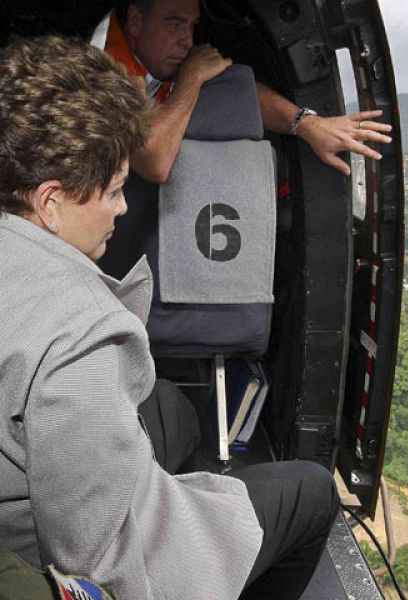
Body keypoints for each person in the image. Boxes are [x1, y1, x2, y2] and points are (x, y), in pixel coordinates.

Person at [0, 36, 339, 600]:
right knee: (310, 490)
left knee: (169, 407)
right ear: (50, 202)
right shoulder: (80, 334)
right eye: (114, 191)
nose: (122, 207)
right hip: (51, 544)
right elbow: (101, 565)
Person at [91, 0, 393, 182]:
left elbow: (237, 92)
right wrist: (190, 79)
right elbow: (155, 164)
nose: (187, 40)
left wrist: (306, 124)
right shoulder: (100, 67)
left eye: (191, 26)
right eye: (175, 25)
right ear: (135, 21)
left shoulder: (161, 52)